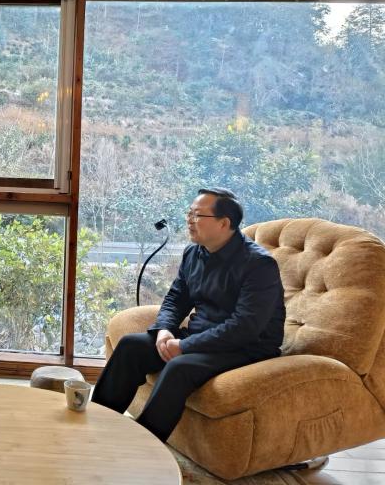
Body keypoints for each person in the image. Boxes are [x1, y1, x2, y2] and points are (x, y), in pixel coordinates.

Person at [91, 187, 285, 441]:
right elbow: (176, 298)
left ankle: (145, 445)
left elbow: (244, 327)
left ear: (224, 223)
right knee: (131, 346)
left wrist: (185, 346)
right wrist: (164, 330)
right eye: (189, 213)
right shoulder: (194, 253)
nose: (189, 220)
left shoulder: (259, 264)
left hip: (246, 347)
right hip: (201, 336)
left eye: (197, 215)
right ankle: (96, 427)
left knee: (179, 367)